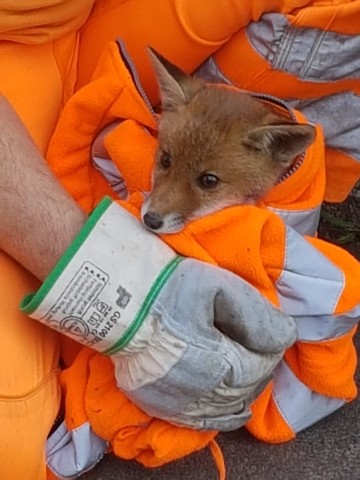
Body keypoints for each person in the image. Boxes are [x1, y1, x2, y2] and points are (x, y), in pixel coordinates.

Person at [0, 2, 359, 480]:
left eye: (204, 182)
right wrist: (112, 284)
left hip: (82, 19)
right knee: (12, 452)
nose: (160, 206)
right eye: (164, 162)